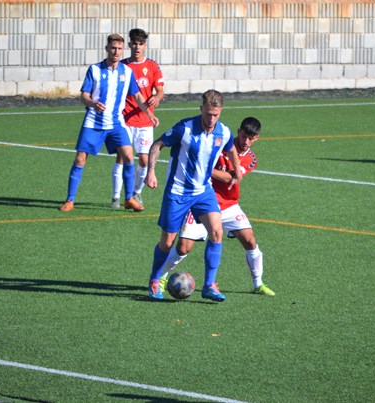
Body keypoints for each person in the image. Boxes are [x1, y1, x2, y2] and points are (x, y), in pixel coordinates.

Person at [159, 117, 275, 296]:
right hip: (201, 201)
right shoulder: (222, 144)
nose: (246, 141)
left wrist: (204, 168)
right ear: (238, 131)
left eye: (251, 138)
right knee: (183, 248)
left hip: (228, 204)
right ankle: (160, 277)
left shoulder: (250, 159)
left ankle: (258, 284)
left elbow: (231, 177)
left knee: (250, 240)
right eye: (244, 136)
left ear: (257, 138)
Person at [144, 89, 242, 302]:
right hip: (178, 192)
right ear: (201, 110)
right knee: (167, 243)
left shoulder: (223, 132)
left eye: (215, 115)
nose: (211, 119)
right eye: (208, 114)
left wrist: (237, 168)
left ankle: (209, 285)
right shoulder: (185, 128)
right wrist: (150, 172)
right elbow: (157, 144)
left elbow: (231, 148)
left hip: (203, 192)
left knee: (217, 232)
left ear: (221, 112)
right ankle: (154, 279)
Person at [59, 33, 159, 212]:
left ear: (123, 50)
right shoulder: (95, 69)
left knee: (129, 156)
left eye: (119, 48)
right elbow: (84, 95)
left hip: (116, 123)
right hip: (94, 122)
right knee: (80, 159)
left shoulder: (127, 72)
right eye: (113, 48)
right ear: (107, 48)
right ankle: (70, 200)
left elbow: (136, 95)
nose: (116, 51)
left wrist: (149, 114)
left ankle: (129, 198)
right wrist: (92, 103)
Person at [110, 28, 165, 210]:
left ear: (145, 45)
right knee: (122, 158)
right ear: (129, 45)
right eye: (134, 43)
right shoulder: (123, 66)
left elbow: (160, 90)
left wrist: (157, 97)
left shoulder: (152, 67)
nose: (137, 47)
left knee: (144, 160)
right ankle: (116, 197)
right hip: (124, 121)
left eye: (140, 44)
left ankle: (135, 193)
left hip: (145, 121)